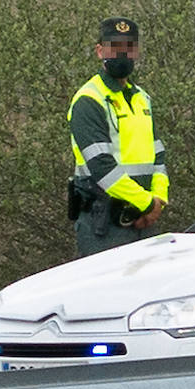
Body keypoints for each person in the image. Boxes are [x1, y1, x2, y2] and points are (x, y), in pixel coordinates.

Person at [66, 17, 168, 256]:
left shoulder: (142, 98)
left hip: (144, 223)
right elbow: (102, 168)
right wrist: (146, 204)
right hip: (103, 226)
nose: (123, 53)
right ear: (100, 51)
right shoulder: (89, 100)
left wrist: (158, 200)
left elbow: (159, 155)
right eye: (115, 47)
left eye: (129, 47)